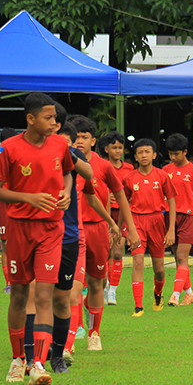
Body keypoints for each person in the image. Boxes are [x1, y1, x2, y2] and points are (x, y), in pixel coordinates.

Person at [0, 93, 74, 385]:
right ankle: (17, 359)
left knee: (44, 296)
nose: (54, 122)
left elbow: (67, 174)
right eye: (48, 118)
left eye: (55, 118)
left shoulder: (61, 145)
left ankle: (38, 364)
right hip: (19, 230)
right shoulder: (7, 149)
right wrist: (29, 198)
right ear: (30, 119)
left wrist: (65, 192)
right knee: (20, 295)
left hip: (51, 229)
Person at [70, 116, 138, 353]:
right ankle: (75, 328)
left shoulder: (102, 166)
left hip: (98, 228)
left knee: (96, 282)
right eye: (76, 137)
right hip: (70, 230)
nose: (79, 141)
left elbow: (121, 196)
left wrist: (128, 228)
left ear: (93, 140)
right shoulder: (63, 161)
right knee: (72, 284)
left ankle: (94, 332)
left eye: (84, 137)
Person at [122, 138, 176, 316]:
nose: (144, 155)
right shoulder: (129, 178)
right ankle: (138, 306)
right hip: (136, 221)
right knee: (137, 261)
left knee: (159, 270)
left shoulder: (162, 176)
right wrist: (123, 228)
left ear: (153, 155)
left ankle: (158, 292)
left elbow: (172, 202)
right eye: (140, 152)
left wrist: (171, 230)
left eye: (147, 152)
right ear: (135, 156)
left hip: (157, 222)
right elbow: (124, 203)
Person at [164, 133, 193, 307]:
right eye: (171, 154)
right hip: (170, 216)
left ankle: (175, 295)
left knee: (182, 256)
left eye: (177, 154)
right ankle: (189, 293)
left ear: (185, 152)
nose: (173, 157)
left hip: (188, 216)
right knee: (178, 257)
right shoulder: (166, 170)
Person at [100, 132, 135, 305]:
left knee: (118, 252)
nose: (117, 151)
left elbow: (131, 190)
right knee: (105, 252)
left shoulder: (129, 169)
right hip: (105, 214)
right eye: (114, 147)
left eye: (120, 147)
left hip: (122, 214)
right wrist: (107, 195)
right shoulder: (101, 166)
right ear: (106, 149)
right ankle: (104, 287)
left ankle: (113, 291)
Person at [0, 127, 20, 293]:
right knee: (7, 243)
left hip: (19, 201)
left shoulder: (19, 156)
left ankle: (19, 280)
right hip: (5, 203)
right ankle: (9, 282)